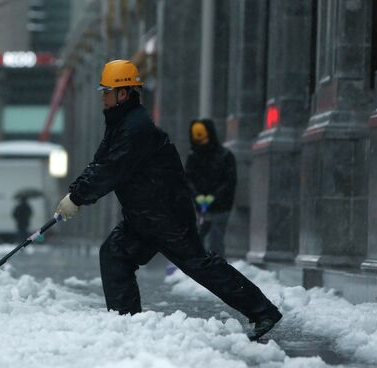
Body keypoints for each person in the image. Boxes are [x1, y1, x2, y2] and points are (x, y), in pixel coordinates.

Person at [53, 59, 281, 341]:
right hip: (145, 215)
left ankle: (263, 311)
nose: (103, 96)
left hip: (166, 216)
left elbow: (112, 168)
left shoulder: (135, 129)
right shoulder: (121, 123)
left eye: (107, 91)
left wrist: (77, 197)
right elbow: (100, 163)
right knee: (114, 253)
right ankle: (128, 324)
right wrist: (75, 192)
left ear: (122, 93)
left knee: (199, 264)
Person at [184, 119, 236, 258]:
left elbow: (229, 181)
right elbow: (188, 178)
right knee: (199, 238)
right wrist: (197, 196)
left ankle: (216, 269)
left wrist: (214, 196)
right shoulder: (193, 156)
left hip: (221, 207)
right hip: (202, 207)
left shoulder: (225, 156)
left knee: (215, 241)